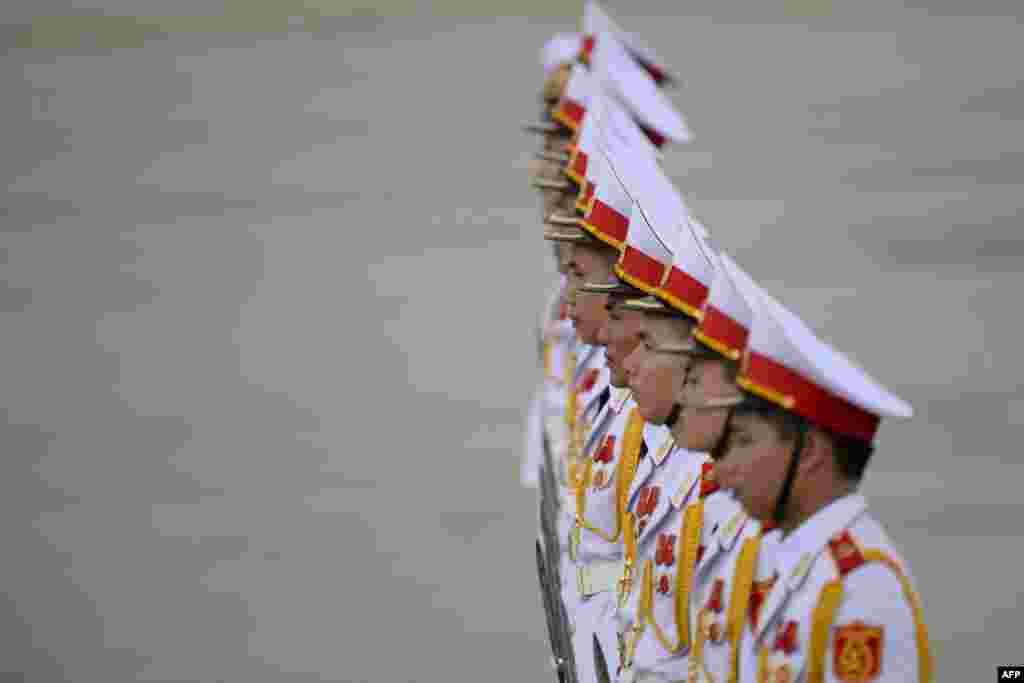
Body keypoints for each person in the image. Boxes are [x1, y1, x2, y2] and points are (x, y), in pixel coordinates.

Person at [713, 291, 933, 683]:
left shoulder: (862, 588)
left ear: (810, 451)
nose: (724, 470)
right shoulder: (794, 560)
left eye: (745, 441)